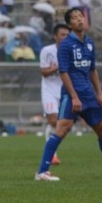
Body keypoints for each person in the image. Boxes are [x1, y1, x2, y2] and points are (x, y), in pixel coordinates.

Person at [34, 7, 102, 181]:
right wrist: (74, 96)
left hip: (89, 95)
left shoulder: (89, 43)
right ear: (70, 24)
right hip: (72, 96)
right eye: (75, 17)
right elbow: (63, 72)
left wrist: (99, 94)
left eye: (81, 16)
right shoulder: (65, 45)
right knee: (62, 130)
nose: (80, 19)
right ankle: (42, 172)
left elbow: (93, 70)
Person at [38, 24, 70, 165]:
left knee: (62, 125)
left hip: (65, 90)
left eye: (67, 35)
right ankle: (52, 155)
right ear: (55, 36)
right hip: (49, 90)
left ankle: (51, 152)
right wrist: (56, 68)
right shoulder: (47, 51)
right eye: (62, 35)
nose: (65, 37)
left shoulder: (71, 51)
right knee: (53, 121)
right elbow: (43, 72)